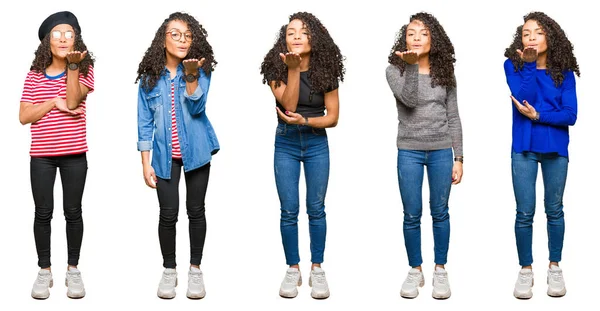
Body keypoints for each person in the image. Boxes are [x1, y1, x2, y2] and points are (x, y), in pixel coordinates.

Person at [260, 12, 344, 299]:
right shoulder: (275, 68)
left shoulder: (326, 69)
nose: (295, 36)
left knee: (316, 208)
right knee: (288, 209)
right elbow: (288, 102)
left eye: (303, 31)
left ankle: (317, 268)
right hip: (285, 143)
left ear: (314, 37)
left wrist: (306, 122)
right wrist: (292, 69)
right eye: (290, 32)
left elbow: (332, 117)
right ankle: (293, 268)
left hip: (316, 141)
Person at [136, 12, 219, 299]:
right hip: (163, 155)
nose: (182, 39)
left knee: (196, 211)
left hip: (196, 152)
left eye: (187, 35)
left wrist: (193, 76)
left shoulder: (200, 70)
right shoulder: (149, 77)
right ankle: (169, 270)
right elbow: (144, 121)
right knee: (167, 214)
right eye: (175, 33)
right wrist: (145, 162)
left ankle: (195, 270)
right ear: (163, 39)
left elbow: (197, 108)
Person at [385, 12, 463, 300]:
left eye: (423, 33)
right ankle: (415, 270)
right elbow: (409, 100)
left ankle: (440, 270)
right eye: (411, 33)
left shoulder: (446, 73)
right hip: (409, 151)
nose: (416, 38)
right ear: (404, 38)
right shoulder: (394, 70)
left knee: (440, 212)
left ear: (434, 39)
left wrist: (460, 157)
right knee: (411, 214)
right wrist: (412, 67)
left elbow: (453, 116)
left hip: (442, 150)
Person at [504, 11, 579, 299]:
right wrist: (529, 64)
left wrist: (539, 116)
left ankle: (554, 266)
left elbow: (570, 115)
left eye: (538, 31)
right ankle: (525, 270)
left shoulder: (565, 72)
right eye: (526, 33)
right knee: (524, 213)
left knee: (554, 210)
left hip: (555, 149)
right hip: (523, 147)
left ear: (550, 36)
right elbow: (522, 96)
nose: (531, 36)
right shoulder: (513, 65)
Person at [19, 11, 94, 299]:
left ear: (76, 38)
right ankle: (44, 271)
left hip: (75, 155)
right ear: (47, 41)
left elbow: (74, 99)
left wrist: (73, 67)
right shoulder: (34, 75)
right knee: (43, 212)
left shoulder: (84, 69)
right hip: (42, 156)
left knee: (73, 212)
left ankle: (73, 270)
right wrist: (52, 101)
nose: (63, 39)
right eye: (57, 34)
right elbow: (24, 115)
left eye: (69, 33)